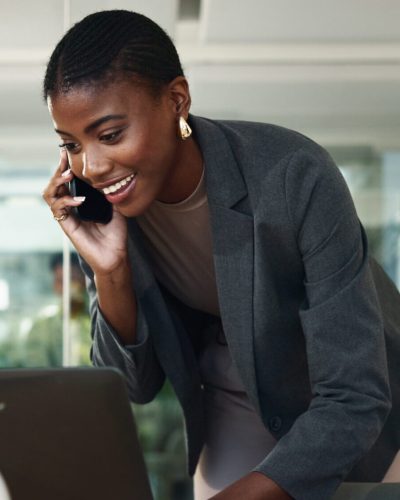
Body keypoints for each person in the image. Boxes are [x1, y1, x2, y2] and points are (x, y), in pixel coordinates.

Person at [41, 10, 400, 500]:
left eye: (109, 135)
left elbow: (355, 393)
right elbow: (133, 386)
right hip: (233, 384)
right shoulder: (99, 208)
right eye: (71, 145)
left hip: (352, 388)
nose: (93, 166)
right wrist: (112, 271)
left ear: (176, 101)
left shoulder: (293, 173)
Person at [23, 253, 91, 367]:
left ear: (85, 281)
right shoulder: (41, 328)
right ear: (55, 285)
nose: (67, 286)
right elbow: (38, 372)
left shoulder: (99, 323)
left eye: (73, 278)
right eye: (60, 281)